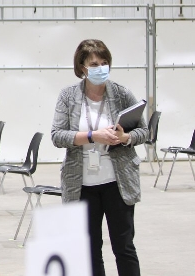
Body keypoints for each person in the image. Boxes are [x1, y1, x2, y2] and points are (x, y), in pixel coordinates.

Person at [51, 39, 148, 276]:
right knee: (91, 250)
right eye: (94, 63)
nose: (101, 68)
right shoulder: (68, 96)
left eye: (105, 63)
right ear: (82, 67)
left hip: (118, 182)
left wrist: (125, 137)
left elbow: (144, 131)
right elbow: (57, 135)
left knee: (124, 247)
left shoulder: (122, 94)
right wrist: (93, 136)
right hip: (82, 185)